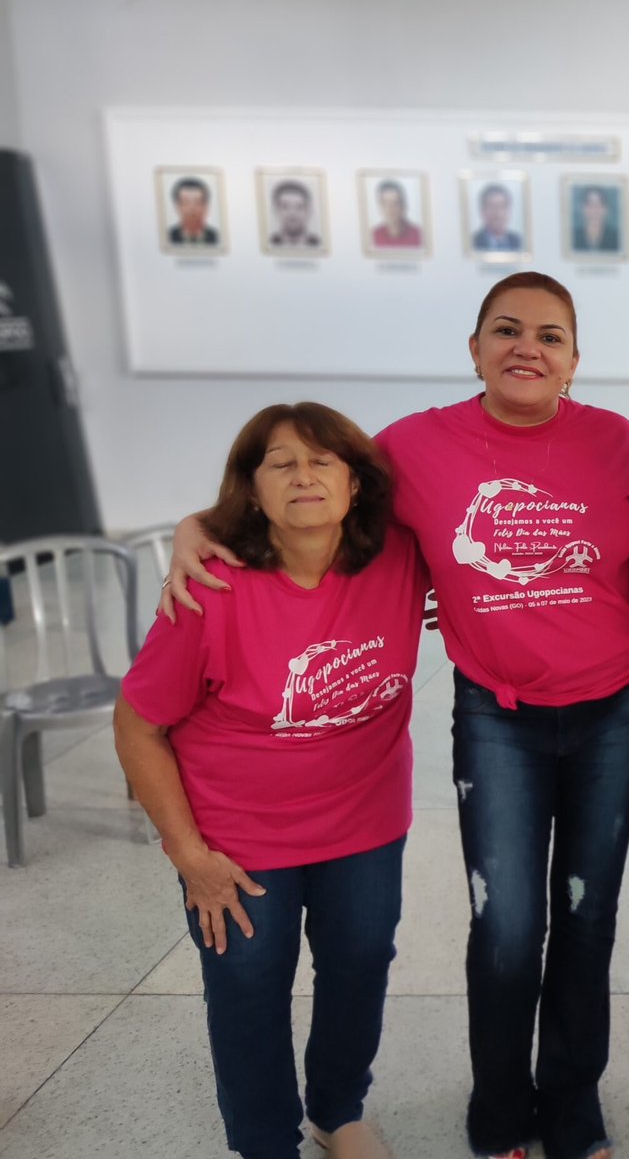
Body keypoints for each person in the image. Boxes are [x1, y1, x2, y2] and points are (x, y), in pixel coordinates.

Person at [164, 272, 629, 1159]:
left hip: (614, 709)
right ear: (474, 349)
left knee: (588, 917)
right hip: (499, 716)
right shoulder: (416, 446)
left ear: (576, 360)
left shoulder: (617, 442)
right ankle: (499, 1104)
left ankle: (572, 1099)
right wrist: (195, 525)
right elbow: (309, 484)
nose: (527, 348)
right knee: (508, 925)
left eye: (549, 336)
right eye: (506, 330)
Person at [117, 402, 426, 1159]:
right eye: (281, 464)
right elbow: (137, 726)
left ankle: (337, 1111)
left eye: (323, 461)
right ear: (253, 491)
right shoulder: (210, 590)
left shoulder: (400, 556)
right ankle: (264, 1142)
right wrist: (189, 854)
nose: (304, 477)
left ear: (355, 483)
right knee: (248, 984)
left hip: (364, 820)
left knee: (359, 965)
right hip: (238, 836)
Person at [268, 179, 321, 249]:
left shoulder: (318, 244)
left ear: (309, 211)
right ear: (275, 210)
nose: (292, 213)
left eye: (299, 207)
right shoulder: (269, 242)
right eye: (285, 206)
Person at [370, 179, 422, 249]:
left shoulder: (418, 234)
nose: (390, 209)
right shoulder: (373, 236)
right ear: (380, 206)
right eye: (385, 203)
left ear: (404, 205)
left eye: (395, 203)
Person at [168, 176, 220, 246]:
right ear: (177, 207)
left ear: (206, 207)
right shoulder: (168, 237)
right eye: (186, 203)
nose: (192, 209)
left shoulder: (217, 237)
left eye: (197, 202)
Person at [473, 183, 523, 253]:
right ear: (482, 211)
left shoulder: (518, 241)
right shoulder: (473, 243)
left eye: (502, 206)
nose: (497, 213)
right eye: (492, 206)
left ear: (509, 211)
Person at [571, 186, 621, 254]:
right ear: (582, 208)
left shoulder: (616, 237)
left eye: (599, 204)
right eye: (590, 204)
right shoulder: (573, 236)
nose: (594, 209)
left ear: (606, 209)